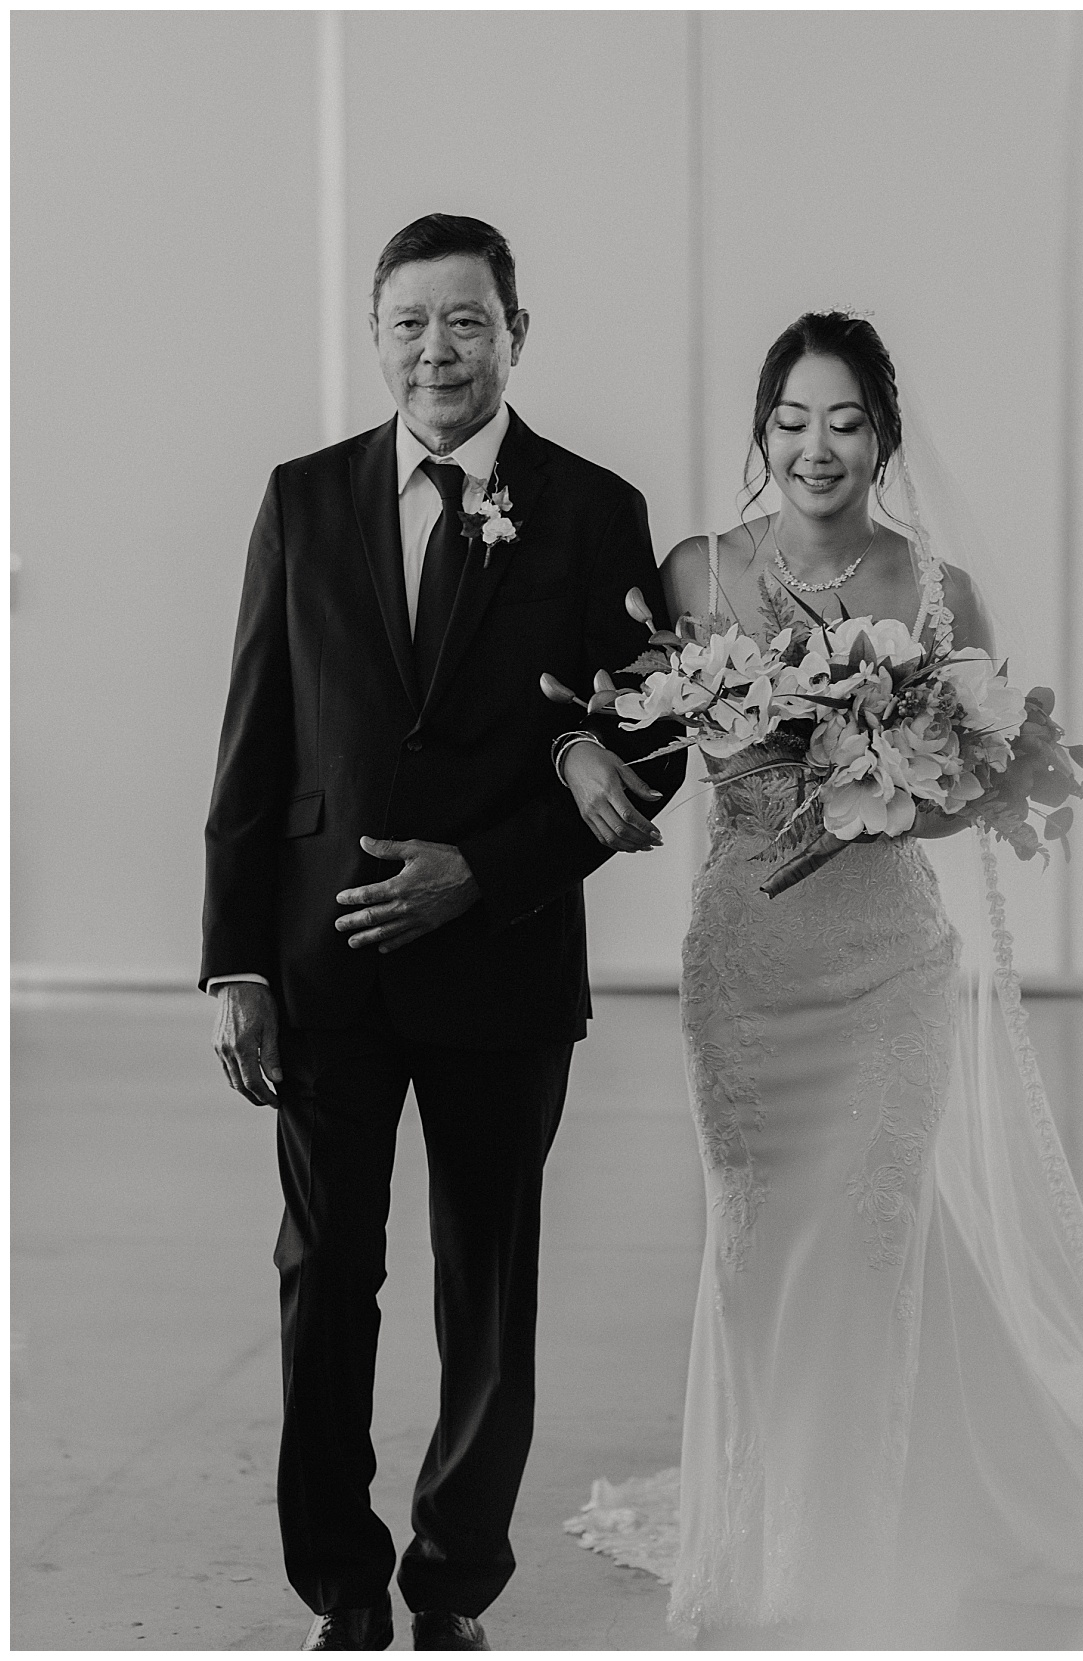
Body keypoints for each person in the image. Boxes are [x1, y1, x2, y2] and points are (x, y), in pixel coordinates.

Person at [559, 313, 1083, 1647]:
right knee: (765, 1258)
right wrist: (585, 761)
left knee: (868, 1247)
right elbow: (631, 727)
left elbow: (977, 790)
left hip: (888, 967)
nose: (817, 446)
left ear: (881, 434)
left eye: (845, 422)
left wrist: (881, 787)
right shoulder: (698, 574)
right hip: (746, 967)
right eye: (792, 420)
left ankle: (850, 1560)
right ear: (763, 432)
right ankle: (763, 1531)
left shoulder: (937, 591)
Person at [201, 213, 685, 1652]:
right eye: (411, 321)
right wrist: (235, 959)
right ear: (376, 332)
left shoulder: (596, 510)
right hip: (322, 961)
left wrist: (483, 870)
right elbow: (253, 744)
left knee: (490, 1279)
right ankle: (340, 1585)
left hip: (505, 963)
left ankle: (455, 1579)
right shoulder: (301, 501)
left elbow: (646, 748)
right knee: (323, 1273)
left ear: (515, 333)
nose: (438, 349)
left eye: (466, 320)